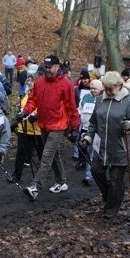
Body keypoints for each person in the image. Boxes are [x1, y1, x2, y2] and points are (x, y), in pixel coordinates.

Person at [80, 71, 130, 219]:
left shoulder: (128, 101)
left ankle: (112, 208)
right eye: (105, 88)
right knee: (96, 170)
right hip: (102, 146)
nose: (107, 91)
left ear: (119, 86)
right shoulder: (100, 99)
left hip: (121, 146)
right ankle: (110, 196)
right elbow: (94, 122)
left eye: (110, 88)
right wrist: (88, 136)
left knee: (116, 178)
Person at [19, 54, 80, 199]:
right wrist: (25, 111)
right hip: (44, 124)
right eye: (45, 67)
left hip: (58, 126)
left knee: (46, 156)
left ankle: (35, 187)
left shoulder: (66, 84)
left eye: (50, 67)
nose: (47, 69)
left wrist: (74, 127)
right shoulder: (40, 82)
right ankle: (62, 181)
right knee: (54, 155)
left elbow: (72, 107)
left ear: (58, 67)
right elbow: (33, 100)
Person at [9, 65, 44, 184]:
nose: (29, 83)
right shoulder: (26, 95)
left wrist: (37, 115)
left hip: (37, 128)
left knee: (41, 154)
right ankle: (16, 175)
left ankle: (41, 177)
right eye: (28, 80)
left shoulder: (41, 94)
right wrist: (15, 121)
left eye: (32, 81)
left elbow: (43, 108)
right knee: (20, 152)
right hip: (24, 127)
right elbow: (22, 109)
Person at [77, 79, 103, 186]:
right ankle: (84, 162)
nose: (93, 90)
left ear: (101, 89)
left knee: (93, 152)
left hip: (94, 130)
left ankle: (89, 175)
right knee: (82, 148)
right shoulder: (86, 97)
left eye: (95, 89)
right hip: (84, 127)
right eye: (91, 88)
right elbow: (80, 108)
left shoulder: (101, 99)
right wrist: (78, 113)